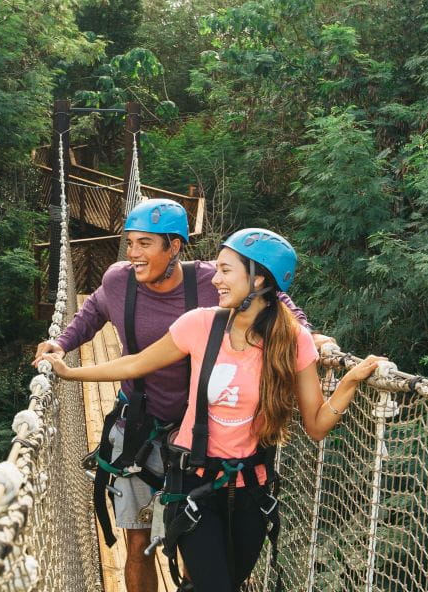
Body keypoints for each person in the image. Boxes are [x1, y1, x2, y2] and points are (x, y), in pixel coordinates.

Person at [40, 228, 385, 592]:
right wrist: (70, 371)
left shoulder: (293, 340)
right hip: (193, 484)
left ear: (260, 279)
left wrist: (349, 383)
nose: (215, 279)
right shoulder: (201, 323)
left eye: (225, 271)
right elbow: (135, 364)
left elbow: (316, 425)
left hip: (252, 488)